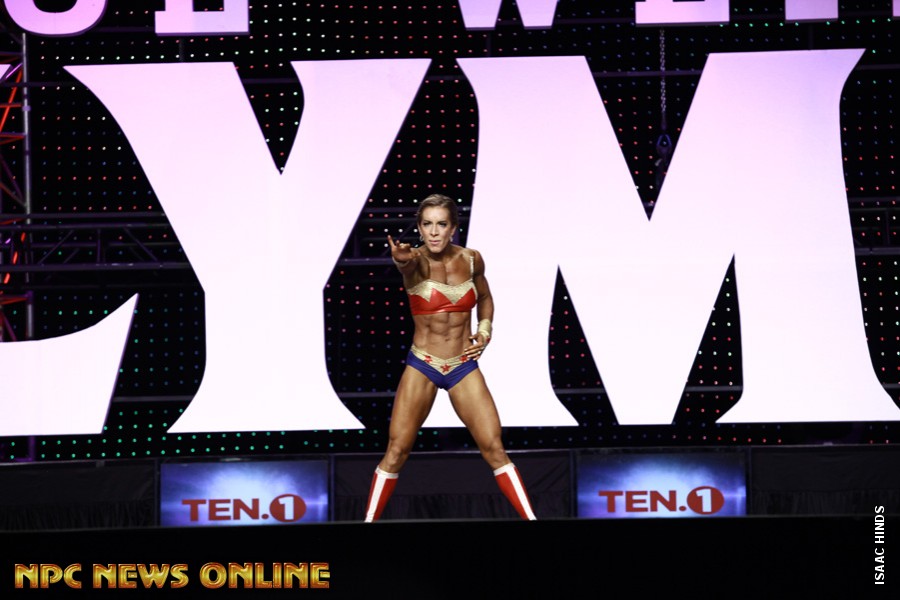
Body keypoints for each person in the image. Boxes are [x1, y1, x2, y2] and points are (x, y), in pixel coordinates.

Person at [363, 193, 536, 522]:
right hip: (424, 364)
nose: (434, 232)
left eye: (441, 224)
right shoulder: (414, 261)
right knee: (396, 451)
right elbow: (405, 265)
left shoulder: (471, 260)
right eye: (427, 224)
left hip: (462, 366)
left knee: (495, 449)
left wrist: (484, 331)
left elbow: (485, 297)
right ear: (419, 228)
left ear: (453, 228)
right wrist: (400, 260)